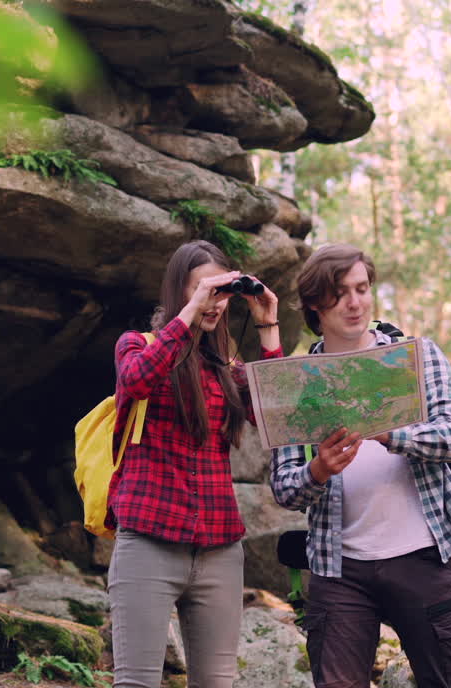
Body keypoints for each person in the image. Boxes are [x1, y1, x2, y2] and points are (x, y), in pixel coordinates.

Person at [269, 243, 451, 688]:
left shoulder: (416, 356)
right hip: (339, 567)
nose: (355, 301)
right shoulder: (294, 382)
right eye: (340, 293)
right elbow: (285, 489)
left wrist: (391, 433)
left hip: (423, 555)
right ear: (313, 304)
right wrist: (318, 470)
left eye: (362, 288)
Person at [107, 240, 283, 688]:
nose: (215, 303)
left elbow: (282, 414)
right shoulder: (137, 345)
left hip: (219, 548)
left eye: (222, 293)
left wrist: (268, 326)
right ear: (177, 291)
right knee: (136, 682)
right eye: (204, 289)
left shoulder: (226, 367)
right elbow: (137, 379)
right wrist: (188, 317)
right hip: (148, 540)